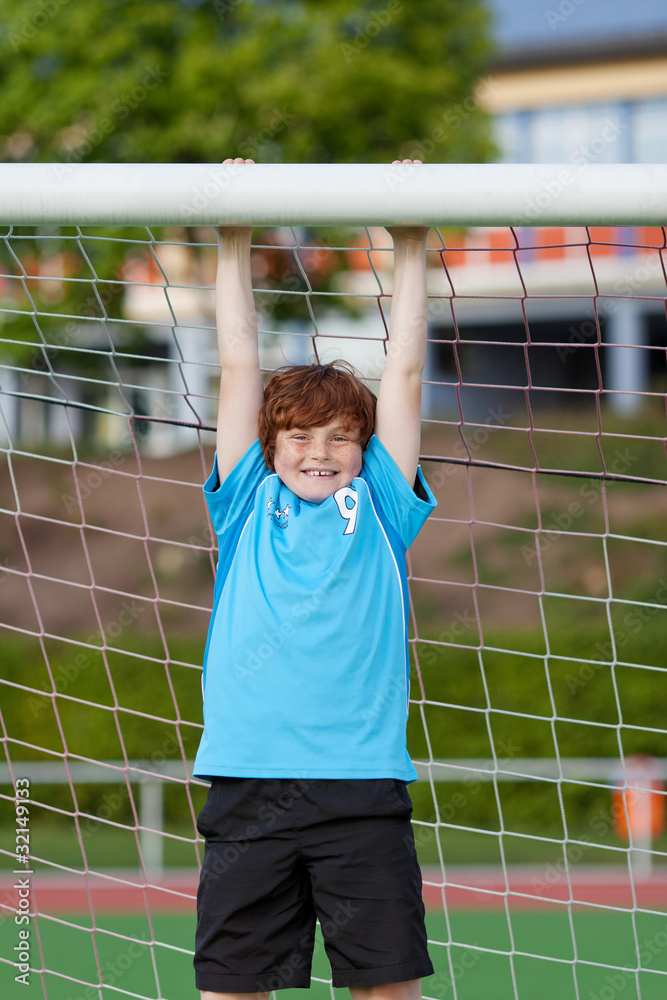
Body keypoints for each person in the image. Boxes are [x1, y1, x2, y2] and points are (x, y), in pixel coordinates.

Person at [193, 158, 437, 1000]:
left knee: (383, 988)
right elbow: (235, 365)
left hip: (361, 784)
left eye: (339, 437)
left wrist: (409, 238)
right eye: (299, 437)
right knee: (232, 988)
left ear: (363, 450)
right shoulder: (245, 503)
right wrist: (232, 232)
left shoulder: (380, 508)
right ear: (270, 447)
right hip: (249, 783)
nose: (318, 452)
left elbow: (401, 373)